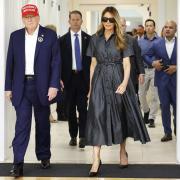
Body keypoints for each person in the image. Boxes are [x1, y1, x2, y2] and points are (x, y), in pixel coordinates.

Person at [85, 6, 150, 177]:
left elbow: (127, 64)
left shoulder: (124, 39)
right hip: (99, 78)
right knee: (96, 116)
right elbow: (92, 64)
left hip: (119, 78)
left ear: (116, 20)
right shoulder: (94, 39)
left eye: (111, 20)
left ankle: (122, 151)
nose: (107, 23)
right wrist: (91, 88)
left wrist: (124, 83)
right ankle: (96, 159)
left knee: (121, 116)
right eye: (104, 19)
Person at [5, 4, 61, 177]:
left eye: (32, 16)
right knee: (22, 125)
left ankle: (44, 156)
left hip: (43, 87)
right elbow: (10, 64)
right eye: (26, 16)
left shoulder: (50, 36)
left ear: (38, 17)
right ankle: (17, 163)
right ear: (22, 18)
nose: (29, 19)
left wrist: (54, 86)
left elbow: (56, 63)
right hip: (21, 87)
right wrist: (8, 87)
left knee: (43, 123)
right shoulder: (15, 37)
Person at [60, 10, 91, 148]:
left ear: (82, 21)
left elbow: (92, 61)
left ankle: (83, 136)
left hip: (83, 78)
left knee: (83, 108)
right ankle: (73, 135)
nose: (75, 21)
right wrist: (58, 79)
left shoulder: (89, 39)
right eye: (73, 19)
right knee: (70, 109)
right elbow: (57, 62)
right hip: (68, 79)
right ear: (69, 21)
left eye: (78, 19)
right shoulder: (62, 40)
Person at [152, 20, 177, 142]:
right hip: (162, 81)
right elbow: (145, 55)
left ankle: (177, 127)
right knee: (165, 107)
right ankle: (167, 133)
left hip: (177, 81)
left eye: (171, 27)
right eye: (165, 27)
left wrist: (177, 67)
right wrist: (153, 62)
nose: (167, 29)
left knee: (178, 107)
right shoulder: (157, 43)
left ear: (175, 30)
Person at [138, 19, 159, 128]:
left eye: (151, 25)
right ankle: (146, 110)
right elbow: (138, 57)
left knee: (155, 95)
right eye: (147, 26)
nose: (149, 27)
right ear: (145, 28)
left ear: (154, 27)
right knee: (141, 94)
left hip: (156, 71)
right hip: (143, 70)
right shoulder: (139, 41)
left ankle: (151, 118)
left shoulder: (160, 40)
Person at [120, 17, 145, 96]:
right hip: (116, 73)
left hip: (131, 73)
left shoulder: (132, 40)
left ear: (126, 26)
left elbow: (138, 56)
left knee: (131, 97)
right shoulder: (111, 39)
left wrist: (141, 72)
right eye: (119, 25)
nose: (121, 27)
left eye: (123, 25)